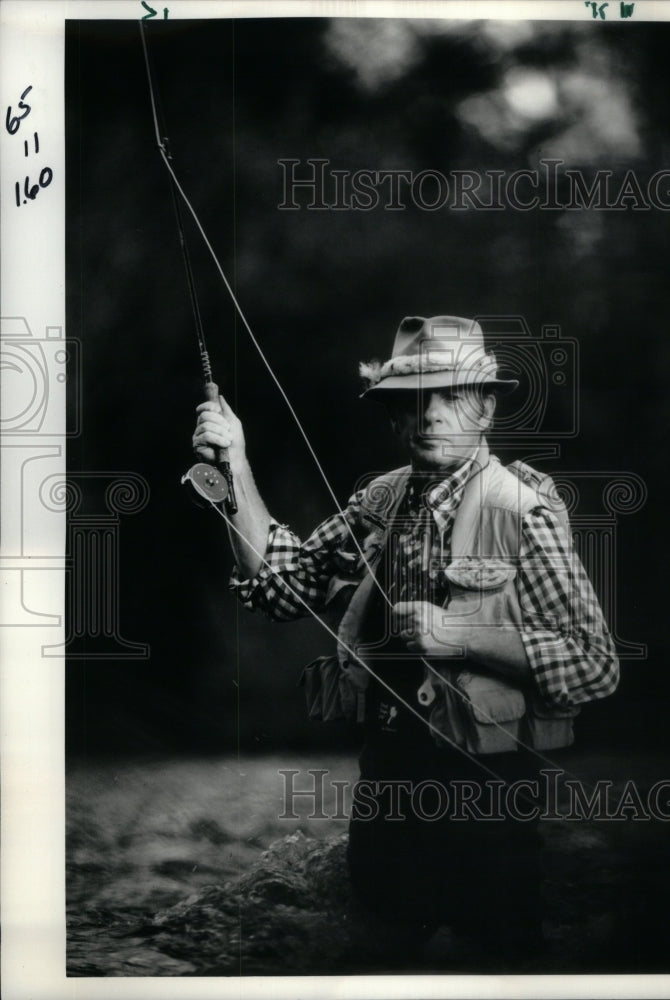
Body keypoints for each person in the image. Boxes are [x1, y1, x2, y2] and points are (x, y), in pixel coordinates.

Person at [192, 315, 619, 966]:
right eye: (412, 401)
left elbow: (594, 664)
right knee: (381, 947)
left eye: (450, 396)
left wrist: (459, 633)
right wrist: (237, 468)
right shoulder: (378, 501)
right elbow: (282, 588)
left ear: (485, 407)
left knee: (495, 956)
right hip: (389, 773)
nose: (430, 415)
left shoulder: (524, 507)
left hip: (492, 788)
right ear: (394, 418)